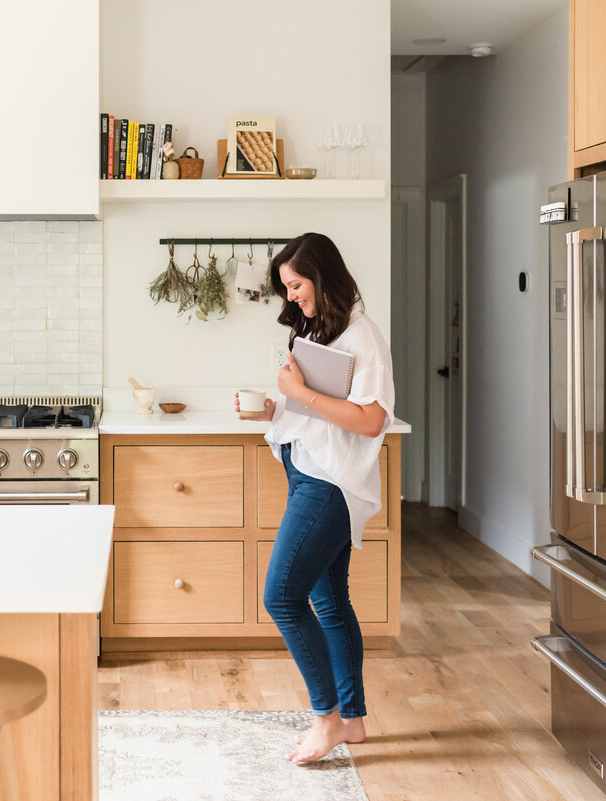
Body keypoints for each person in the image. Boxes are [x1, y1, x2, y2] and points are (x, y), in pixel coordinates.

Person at [235, 232, 394, 764]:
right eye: (286, 287)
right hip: (305, 471)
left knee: (281, 597)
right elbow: (317, 415)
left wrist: (298, 392)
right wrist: (272, 412)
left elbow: (371, 421)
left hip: (329, 484)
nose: (292, 296)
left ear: (322, 276)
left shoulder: (362, 335)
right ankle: (351, 722)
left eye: (296, 284)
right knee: (328, 600)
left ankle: (325, 718)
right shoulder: (319, 329)